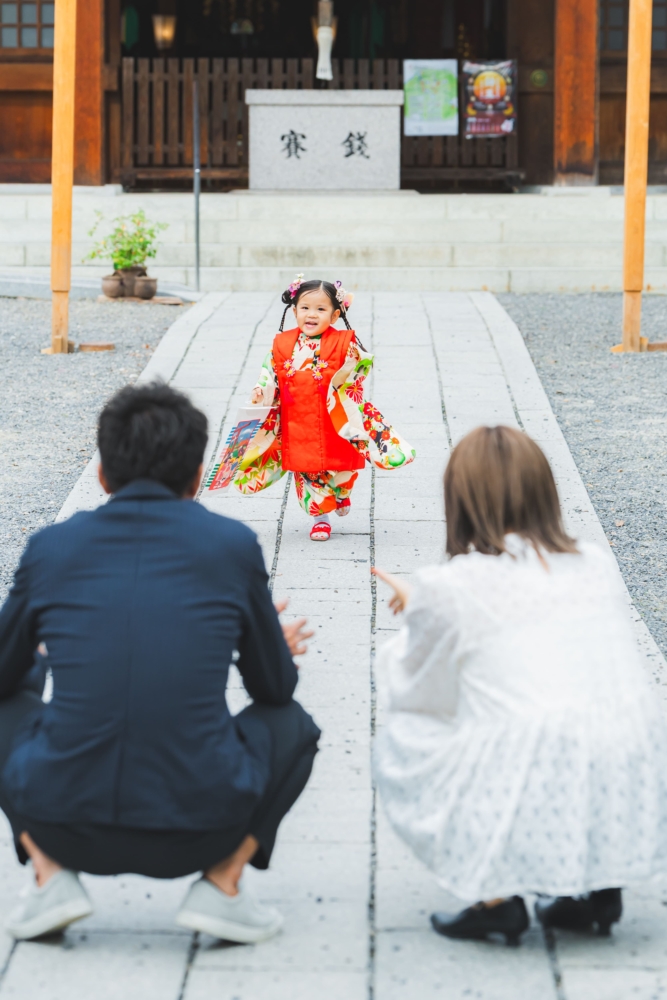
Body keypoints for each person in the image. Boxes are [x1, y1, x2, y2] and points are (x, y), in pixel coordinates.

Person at [0, 381, 320, 944]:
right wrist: (257, 639)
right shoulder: (231, 545)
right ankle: (222, 885)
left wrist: (47, 650)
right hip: (203, 826)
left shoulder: (51, 548)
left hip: (59, 819)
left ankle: (50, 877)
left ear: (102, 475)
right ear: (197, 477)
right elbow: (274, 691)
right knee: (293, 725)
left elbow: (3, 675)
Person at [373, 425, 667, 946]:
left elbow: (418, 683)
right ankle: (599, 890)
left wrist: (417, 608)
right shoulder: (594, 562)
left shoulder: (456, 583)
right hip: (633, 753)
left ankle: (496, 898)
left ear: (460, 500)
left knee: (426, 727)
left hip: (533, 758)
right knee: (575, 713)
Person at [235, 275, 415, 541]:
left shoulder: (343, 342)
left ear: (334, 316)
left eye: (321, 309)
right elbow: (268, 373)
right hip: (299, 419)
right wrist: (261, 390)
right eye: (305, 308)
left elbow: (357, 369)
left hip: (334, 417)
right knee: (307, 469)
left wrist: (353, 361)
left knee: (342, 466)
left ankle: (341, 494)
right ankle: (320, 518)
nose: (311, 314)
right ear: (294, 310)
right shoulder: (282, 344)